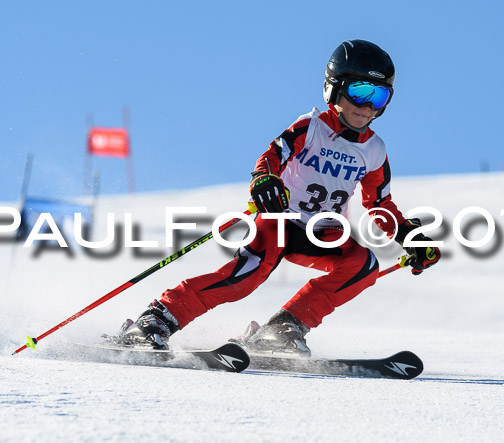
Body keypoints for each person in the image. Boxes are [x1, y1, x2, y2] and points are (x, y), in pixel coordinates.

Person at [118, 40, 441, 355]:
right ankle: (156, 320)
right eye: (359, 92)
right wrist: (264, 180)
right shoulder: (310, 127)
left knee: (363, 264)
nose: (367, 106)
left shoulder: (374, 150)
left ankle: (283, 330)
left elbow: (379, 204)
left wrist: (409, 238)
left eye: (380, 96)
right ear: (334, 88)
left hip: (323, 233)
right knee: (245, 277)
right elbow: (273, 155)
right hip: (278, 221)